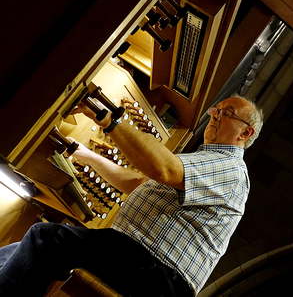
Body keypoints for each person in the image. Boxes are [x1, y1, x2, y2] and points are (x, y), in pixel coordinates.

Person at [0, 95, 263, 297]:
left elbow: (163, 168)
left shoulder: (230, 168)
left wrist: (109, 121)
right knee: (17, 251)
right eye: (215, 110)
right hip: (142, 264)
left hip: (158, 275)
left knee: (46, 237)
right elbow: (137, 182)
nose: (215, 116)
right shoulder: (207, 161)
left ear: (246, 132)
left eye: (226, 114)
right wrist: (83, 153)